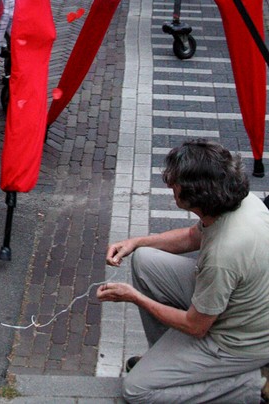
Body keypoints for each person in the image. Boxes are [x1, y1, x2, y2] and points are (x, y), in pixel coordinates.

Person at [97, 139, 269, 403]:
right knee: (144, 260)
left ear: (195, 195)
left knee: (137, 391)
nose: (170, 186)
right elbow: (191, 237)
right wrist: (136, 242)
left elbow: (196, 326)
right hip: (238, 304)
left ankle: (253, 384)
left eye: (175, 183)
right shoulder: (243, 202)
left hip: (238, 342)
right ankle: (169, 362)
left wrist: (133, 297)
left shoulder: (222, 254)